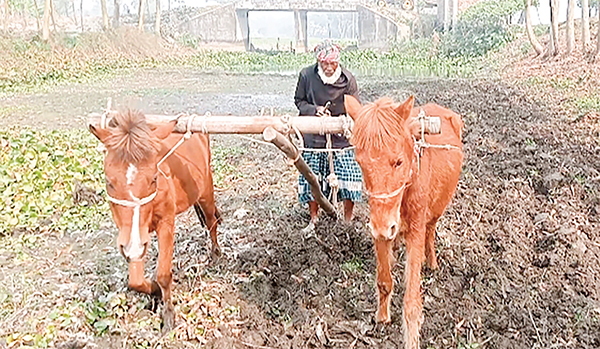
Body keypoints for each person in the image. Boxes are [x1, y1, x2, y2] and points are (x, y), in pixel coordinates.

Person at [294, 40, 363, 231]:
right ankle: (314, 219)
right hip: (314, 136)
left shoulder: (348, 79)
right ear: (318, 62)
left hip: (342, 138)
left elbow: (355, 105)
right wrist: (314, 110)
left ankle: (348, 220)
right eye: (325, 64)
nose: (329, 67)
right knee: (311, 178)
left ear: (338, 62)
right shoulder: (306, 76)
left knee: (350, 177)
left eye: (333, 63)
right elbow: (299, 101)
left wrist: (347, 120)